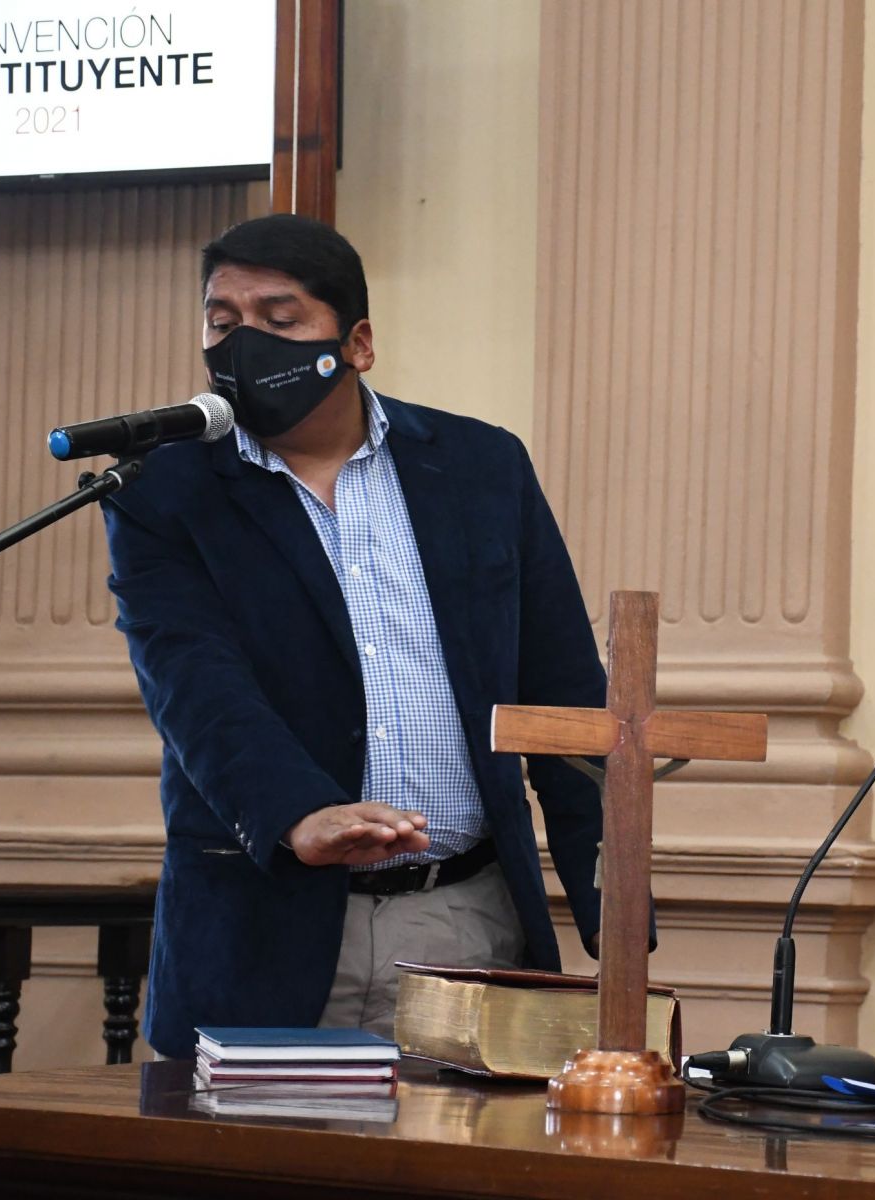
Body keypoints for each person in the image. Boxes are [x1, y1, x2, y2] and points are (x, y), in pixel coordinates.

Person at [104, 214, 606, 1057]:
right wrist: (298, 812)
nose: (245, 345)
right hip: (267, 923)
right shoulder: (165, 485)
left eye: (280, 319)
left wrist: (607, 889)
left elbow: (560, 680)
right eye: (222, 323)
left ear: (358, 343)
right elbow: (191, 679)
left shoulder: (482, 467)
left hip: (465, 920)